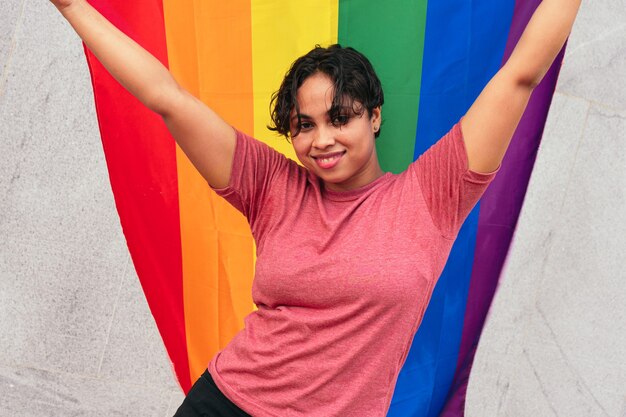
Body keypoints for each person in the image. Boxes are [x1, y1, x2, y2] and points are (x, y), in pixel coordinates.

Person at [49, 1, 581, 416]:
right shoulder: (270, 186)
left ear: (373, 117)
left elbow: (520, 75)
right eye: (305, 125)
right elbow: (169, 98)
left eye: (340, 118)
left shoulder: (431, 194)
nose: (322, 140)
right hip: (226, 404)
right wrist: (72, 7)